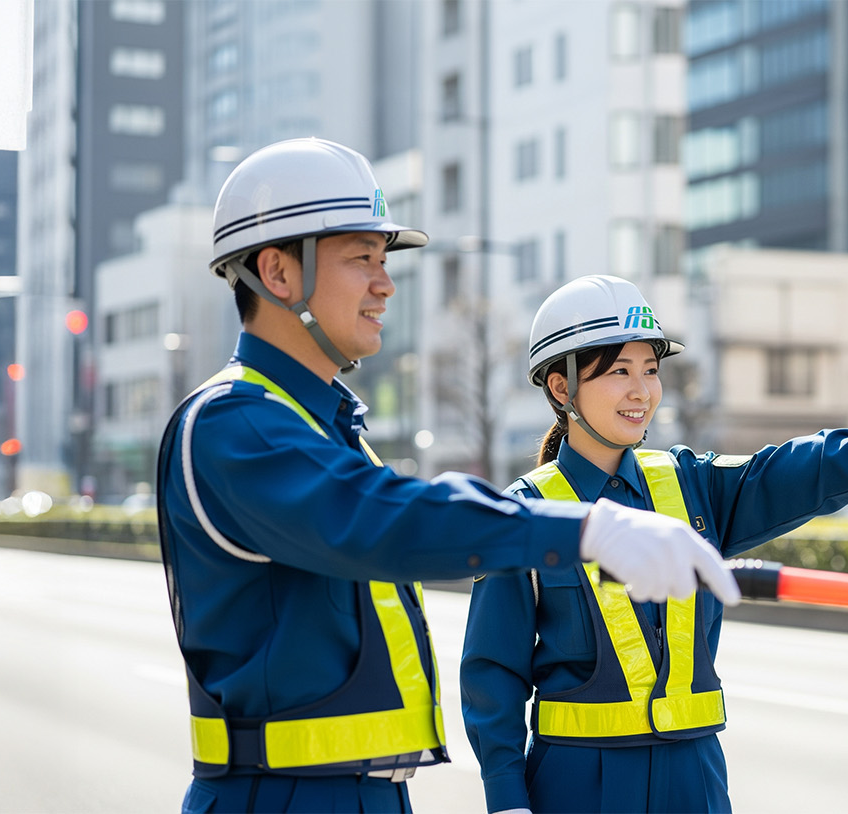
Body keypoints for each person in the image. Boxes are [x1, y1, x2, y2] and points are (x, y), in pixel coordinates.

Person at [155, 140, 742, 814]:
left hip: (359, 794)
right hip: (277, 799)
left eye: (384, 260)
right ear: (277, 272)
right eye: (361, 259)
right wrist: (588, 528)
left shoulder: (326, 429)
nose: (385, 284)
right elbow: (384, 519)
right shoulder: (236, 423)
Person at [459, 275, 848, 814]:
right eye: (619, 371)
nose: (642, 391)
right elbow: (493, 672)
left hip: (694, 779)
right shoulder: (526, 514)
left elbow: (796, 471)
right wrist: (507, 800)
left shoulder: (689, 484)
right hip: (578, 786)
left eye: (651, 370)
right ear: (561, 388)